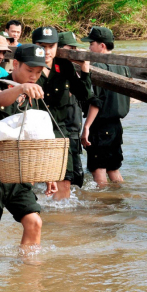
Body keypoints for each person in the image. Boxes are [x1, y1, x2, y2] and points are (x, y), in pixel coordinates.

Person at [0, 44, 57, 256]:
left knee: (34, 222)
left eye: (38, 72)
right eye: (29, 70)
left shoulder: (33, 93)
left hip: (17, 172)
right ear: (15, 64)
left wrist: (46, 172)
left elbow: (34, 134)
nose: (34, 76)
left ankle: (28, 281)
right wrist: (21, 88)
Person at [32, 26, 94, 200]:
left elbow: (84, 95)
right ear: (34, 45)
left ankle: (62, 222)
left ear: (57, 47)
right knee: (29, 181)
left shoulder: (63, 66)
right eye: (41, 46)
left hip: (59, 132)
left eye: (50, 46)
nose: (46, 51)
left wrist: (85, 69)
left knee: (65, 181)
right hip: (33, 133)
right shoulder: (28, 66)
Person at [80, 26, 131, 187]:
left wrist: (87, 126)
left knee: (98, 170)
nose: (89, 47)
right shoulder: (123, 66)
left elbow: (97, 101)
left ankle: (103, 205)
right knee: (113, 169)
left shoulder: (97, 68)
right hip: (116, 126)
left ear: (102, 45)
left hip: (100, 126)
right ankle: (119, 200)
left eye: (92, 43)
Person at [58, 31, 89, 190]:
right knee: (66, 175)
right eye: (71, 48)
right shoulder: (56, 70)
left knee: (77, 176)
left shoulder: (71, 69)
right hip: (63, 130)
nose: (74, 52)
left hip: (74, 130)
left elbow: (86, 95)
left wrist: (85, 69)